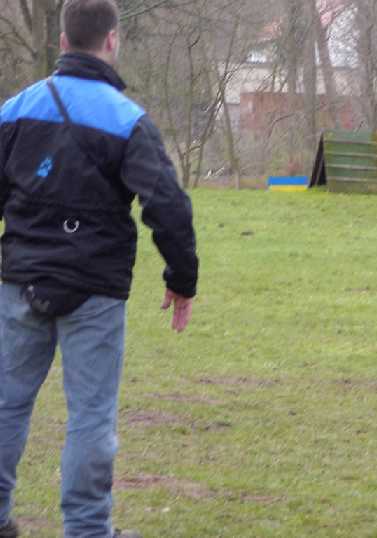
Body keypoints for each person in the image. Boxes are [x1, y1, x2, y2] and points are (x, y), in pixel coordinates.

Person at [0, 0, 199, 536]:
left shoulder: (14, 111)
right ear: (112, 40)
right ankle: (87, 529)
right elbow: (168, 205)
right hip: (94, 290)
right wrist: (181, 279)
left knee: (6, 404)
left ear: (63, 42)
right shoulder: (128, 121)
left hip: (20, 282)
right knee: (91, 416)